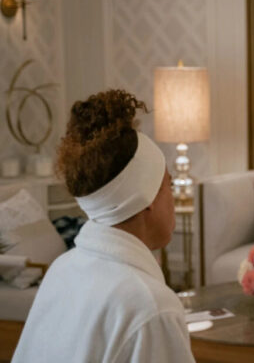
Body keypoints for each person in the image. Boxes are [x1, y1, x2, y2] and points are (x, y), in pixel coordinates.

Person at [12, 90, 195, 363]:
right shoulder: (151, 308)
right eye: (167, 185)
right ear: (146, 199)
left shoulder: (61, 270)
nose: (172, 197)